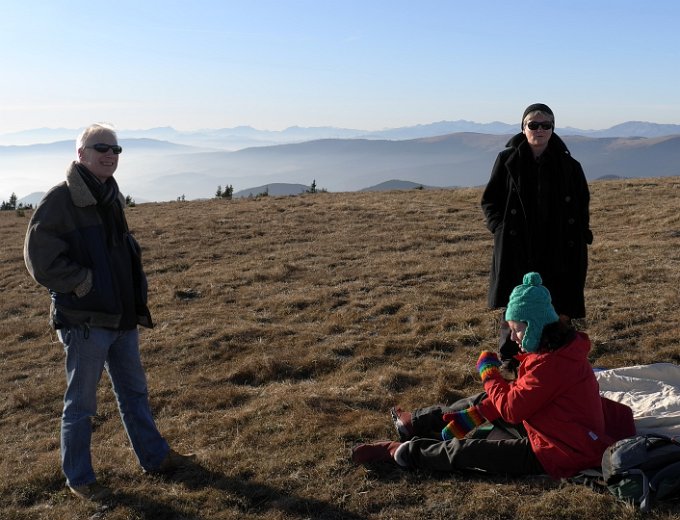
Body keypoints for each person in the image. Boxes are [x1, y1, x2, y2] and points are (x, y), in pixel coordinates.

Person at [24, 123, 195, 501]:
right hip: (86, 321)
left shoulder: (108, 195)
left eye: (116, 149)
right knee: (81, 405)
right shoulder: (61, 200)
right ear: (80, 154)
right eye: (100, 147)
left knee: (134, 392)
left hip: (120, 316)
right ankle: (80, 478)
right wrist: (83, 283)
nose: (110, 155)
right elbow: (39, 260)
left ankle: (155, 457)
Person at [351, 273, 634, 479]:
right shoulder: (550, 352)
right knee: (484, 401)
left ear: (536, 326)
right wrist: (480, 410)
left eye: (517, 330)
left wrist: (489, 374)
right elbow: (518, 396)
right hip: (548, 426)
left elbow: (511, 409)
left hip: (559, 450)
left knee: (469, 451)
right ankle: (416, 422)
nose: (512, 337)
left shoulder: (554, 363)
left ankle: (400, 451)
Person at [480, 103, 593, 367]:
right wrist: (499, 228)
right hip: (517, 244)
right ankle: (511, 357)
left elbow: (581, 203)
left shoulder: (569, 165)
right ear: (523, 128)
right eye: (533, 124)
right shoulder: (507, 160)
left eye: (546, 125)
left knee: (557, 299)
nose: (539, 130)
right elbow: (490, 200)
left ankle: (555, 356)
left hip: (558, 244)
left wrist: (579, 233)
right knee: (517, 298)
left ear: (553, 129)